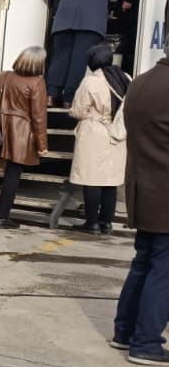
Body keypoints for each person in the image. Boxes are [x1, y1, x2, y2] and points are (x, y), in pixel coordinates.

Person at [112, 52, 169, 365]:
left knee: (144, 262)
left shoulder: (141, 83)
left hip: (143, 189)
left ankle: (124, 332)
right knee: (163, 271)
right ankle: (146, 342)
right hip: (164, 193)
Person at [44, 0, 135, 105]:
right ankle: (69, 99)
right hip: (91, 23)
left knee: (59, 58)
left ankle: (51, 95)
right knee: (79, 60)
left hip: (64, 20)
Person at [68, 44, 130, 234]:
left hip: (94, 133)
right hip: (117, 133)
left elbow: (78, 110)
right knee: (110, 181)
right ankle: (106, 222)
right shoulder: (126, 78)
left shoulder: (91, 81)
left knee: (91, 179)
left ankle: (92, 223)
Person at [0, 48, 49, 229]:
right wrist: (42, 145)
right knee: (13, 175)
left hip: (1, 128)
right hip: (20, 133)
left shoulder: (4, 76)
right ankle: (3, 217)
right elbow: (39, 117)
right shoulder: (37, 82)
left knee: (9, 173)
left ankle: (2, 216)